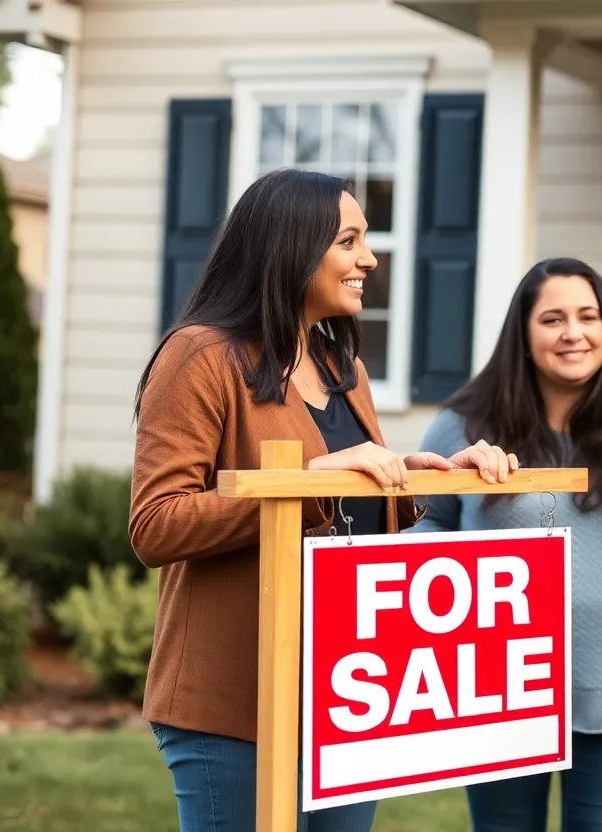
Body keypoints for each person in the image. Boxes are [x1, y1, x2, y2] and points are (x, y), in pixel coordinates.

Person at [128, 168, 516, 832]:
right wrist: (313, 480)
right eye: (349, 240)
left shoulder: (345, 369)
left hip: (345, 698)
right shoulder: (201, 358)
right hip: (233, 703)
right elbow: (156, 526)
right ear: (290, 247)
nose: (369, 257)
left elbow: (349, 515)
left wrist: (423, 477)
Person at [407, 257, 602, 831]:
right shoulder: (463, 426)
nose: (573, 333)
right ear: (523, 332)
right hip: (494, 686)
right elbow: (422, 535)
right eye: (553, 318)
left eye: (588, 316)